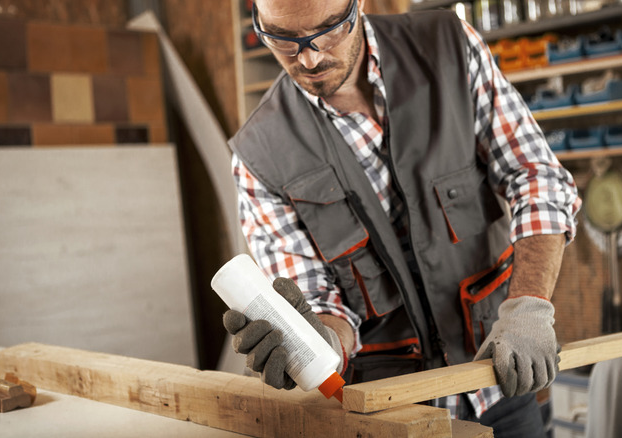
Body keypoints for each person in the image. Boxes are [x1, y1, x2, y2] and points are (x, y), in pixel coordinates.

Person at [223, 0, 581, 436]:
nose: (310, 58)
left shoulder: (449, 46)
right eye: (283, 39)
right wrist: (317, 341)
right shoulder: (260, 155)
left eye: (330, 29)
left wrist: (529, 305)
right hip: (389, 415)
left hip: (499, 384)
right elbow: (316, 297)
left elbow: (534, 175)